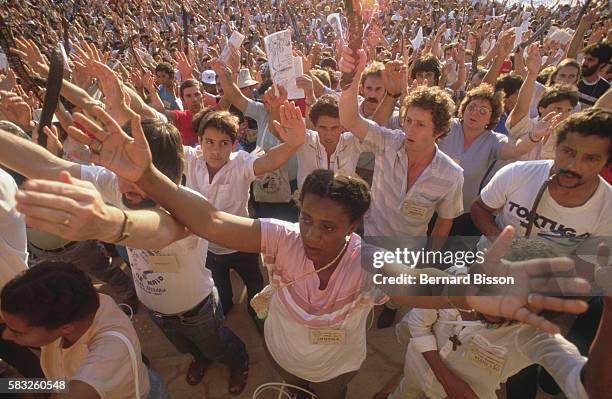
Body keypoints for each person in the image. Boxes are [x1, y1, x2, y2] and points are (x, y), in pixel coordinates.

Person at [45, 67, 594, 399]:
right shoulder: (283, 236)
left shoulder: (371, 261)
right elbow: (211, 221)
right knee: (288, 377)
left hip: (339, 367)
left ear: (356, 228)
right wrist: (147, 177)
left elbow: (437, 290)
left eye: (328, 226)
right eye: (306, 218)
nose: (311, 233)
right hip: (282, 353)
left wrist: (479, 285)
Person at [0, 109, 250, 395]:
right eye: (121, 171)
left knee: (219, 343)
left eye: (141, 174)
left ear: (165, 174)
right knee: (188, 347)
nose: (127, 184)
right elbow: (49, 166)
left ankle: (238, 361)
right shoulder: (112, 184)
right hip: (154, 308)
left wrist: (109, 225)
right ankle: (201, 360)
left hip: (196, 309)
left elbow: (163, 229)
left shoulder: (188, 205)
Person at [1, 262, 169, 399]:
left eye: (17, 332)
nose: (5, 335)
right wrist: (7, 386)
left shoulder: (110, 351)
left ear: (65, 328)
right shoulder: (75, 302)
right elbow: (61, 386)